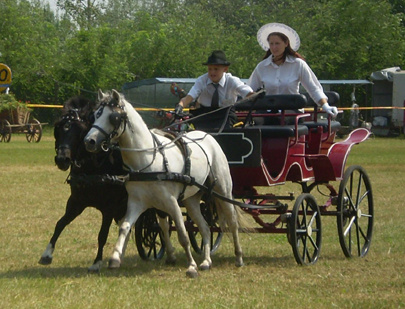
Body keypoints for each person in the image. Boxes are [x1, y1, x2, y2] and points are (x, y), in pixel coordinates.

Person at [248, 23, 338, 119]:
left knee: (280, 119)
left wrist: (325, 106)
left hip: (292, 112)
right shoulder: (262, 67)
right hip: (269, 112)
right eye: (271, 44)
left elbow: (314, 88)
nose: (274, 47)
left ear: (286, 43)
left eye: (277, 43)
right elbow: (248, 90)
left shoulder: (298, 64)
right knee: (256, 122)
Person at [175, 50, 254, 130]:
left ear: (225, 69)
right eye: (210, 69)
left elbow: (248, 93)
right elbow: (189, 97)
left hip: (226, 116)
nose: (212, 72)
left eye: (216, 69)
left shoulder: (232, 81)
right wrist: (180, 106)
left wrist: (256, 95)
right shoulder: (201, 80)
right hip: (204, 115)